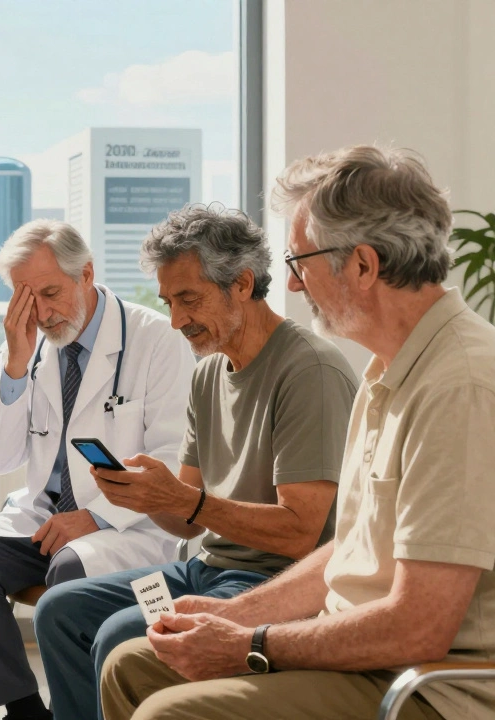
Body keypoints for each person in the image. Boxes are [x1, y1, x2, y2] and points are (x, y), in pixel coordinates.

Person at [99, 145, 495, 720]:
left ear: (362, 265)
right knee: (129, 666)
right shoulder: (388, 369)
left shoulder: (459, 385)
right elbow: (349, 547)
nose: (288, 286)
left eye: (298, 263)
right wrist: (235, 617)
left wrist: (250, 644)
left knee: (169, 713)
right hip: (359, 653)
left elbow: (419, 626)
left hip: (424, 688)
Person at [33, 204, 358, 720]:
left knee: (121, 635)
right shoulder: (208, 374)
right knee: (60, 610)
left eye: (189, 299)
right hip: (204, 569)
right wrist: (143, 494)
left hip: (274, 580)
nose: (176, 320)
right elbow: (185, 512)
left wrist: (183, 499)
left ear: (243, 284)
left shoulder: (309, 371)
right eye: (168, 302)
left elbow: (300, 532)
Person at [0, 219, 195, 720]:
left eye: (51, 293)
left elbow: (172, 462)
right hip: (42, 520)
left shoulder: (158, 341)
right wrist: (14, 360)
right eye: (27, 300)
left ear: (87, 274)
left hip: (128, 529)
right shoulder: (31, 347)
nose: (43, 313)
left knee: (71, 570)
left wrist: (95, 518)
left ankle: (80, 707)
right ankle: (26, 710)